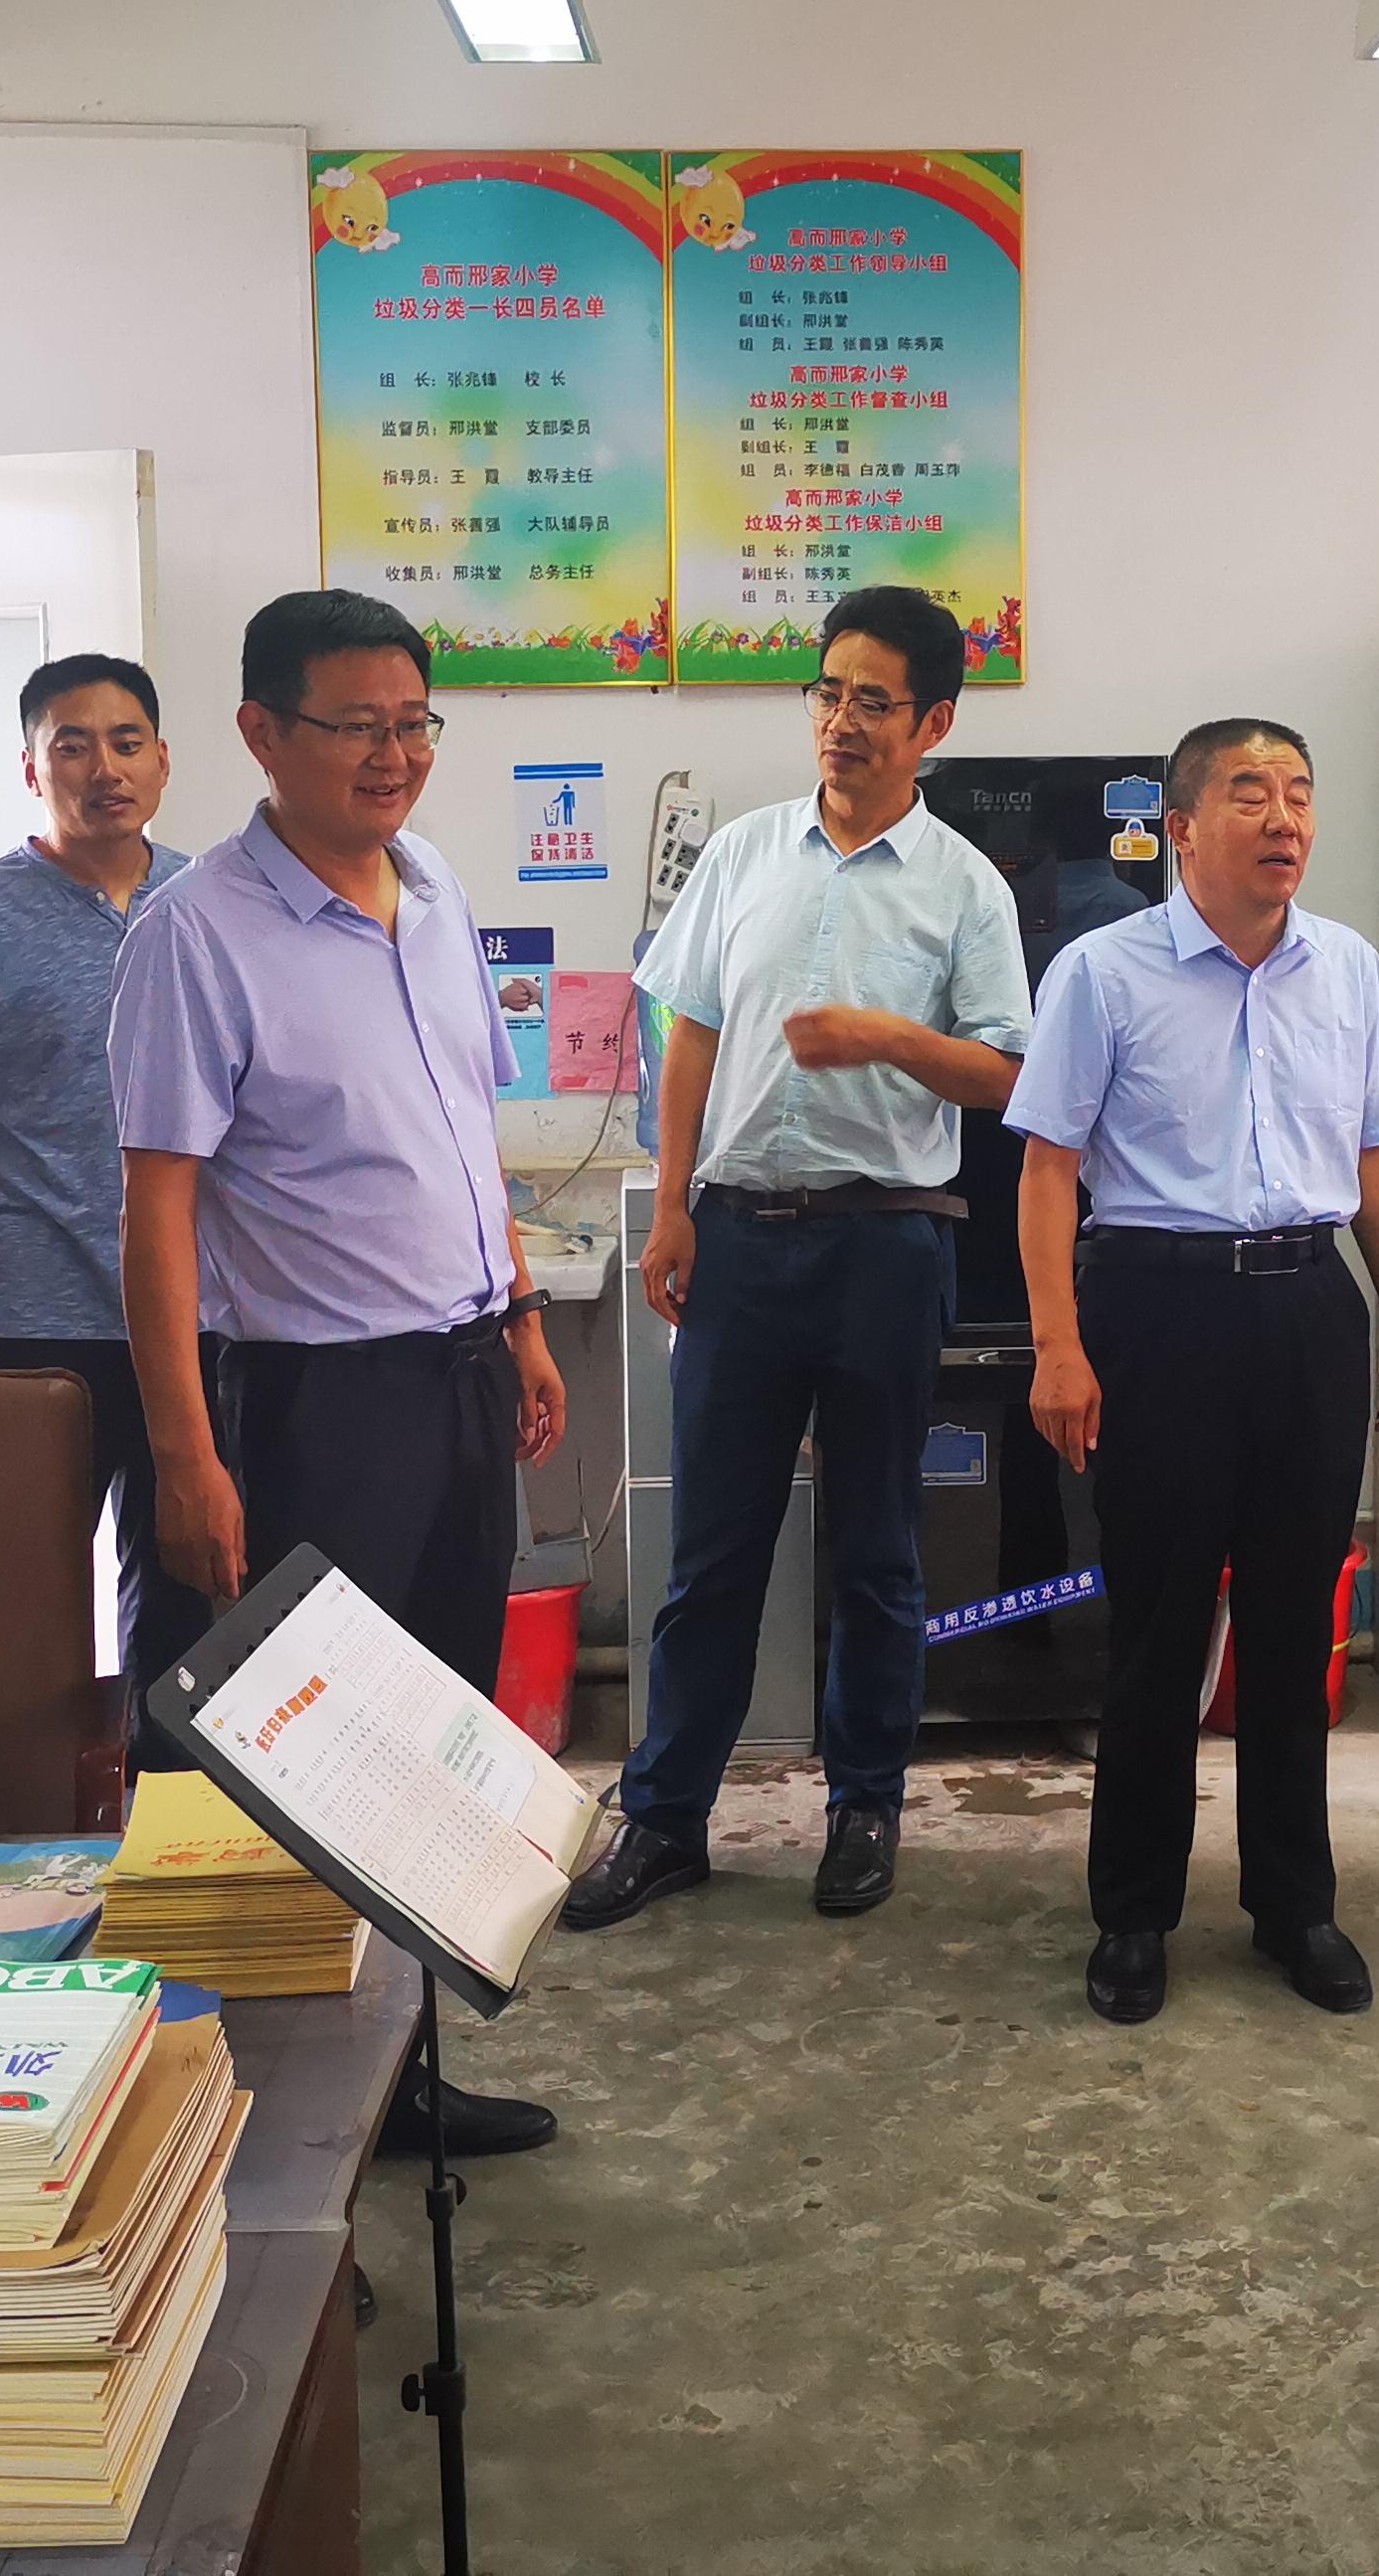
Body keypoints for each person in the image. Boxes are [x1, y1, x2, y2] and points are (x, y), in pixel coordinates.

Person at [108, 588, 565, 2157]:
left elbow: (467, 1135)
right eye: (358, 726)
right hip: (316, 1409)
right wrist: (185, 1456)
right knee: (297, 1763)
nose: (396, 755)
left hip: (459, 1379)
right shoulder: (197, 935)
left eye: (415, 723)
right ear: (261, 732)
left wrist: (518, 1315)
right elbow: (156, 1217)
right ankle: (256, 2111)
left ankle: (399, 2082)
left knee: (436, 1749)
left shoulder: (432, 893)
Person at [561, 586, 1036, 1934]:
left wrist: (883, 1037)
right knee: (711, 1551)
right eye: (828, 692)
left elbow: (1010, 1075)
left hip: (887, 1242)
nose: (839, 721)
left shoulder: (965, 886)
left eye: (873, 701)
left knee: (878, 1546)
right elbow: (691, 1036)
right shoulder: (744, 854)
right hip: (737, 1239)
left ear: (932, 724)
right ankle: (665, 1819)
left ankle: (865, 1806)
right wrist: (669, 1209)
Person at [1008, 719, 1379, 2024]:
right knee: (1157, 1623)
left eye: (1298, 793)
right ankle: (1133, 1914)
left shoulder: (1346, 969)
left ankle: (1294, 1906)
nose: (1283, 817)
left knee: (1296, 1627)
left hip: (1309, 1306)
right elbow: (1048, 1168)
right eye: (1250, 793)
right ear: (1182, 828)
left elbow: (1374, 1153)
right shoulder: (1102, 971)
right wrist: (1058, 1345)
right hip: (1155, 1308)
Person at [0, 653, 198, 1763]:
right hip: (38, 1318)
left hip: (197, 1318)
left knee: (186, 1593)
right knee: (22, 1597)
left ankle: (166, 1809)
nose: (103, 768)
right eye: (72, 745)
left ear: (162, 761)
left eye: (126, 742)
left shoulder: (211, 902)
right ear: (32, 769)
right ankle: (23, 1812)